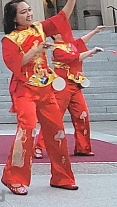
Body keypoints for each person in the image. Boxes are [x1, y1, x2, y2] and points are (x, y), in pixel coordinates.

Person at [0, 0, 88, 196]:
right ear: (14, 18)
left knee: (56, 132)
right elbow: (17, 63)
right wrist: (36, 49)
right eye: (23, 12)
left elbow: (61, 18)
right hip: (24, 89)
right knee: (27, 129)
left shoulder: (39, 28)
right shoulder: (9, 40)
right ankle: (13, 177)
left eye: (29, 10)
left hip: (46, 88)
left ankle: (62, 177)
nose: (29, 14)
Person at [34, 25, 107, 158]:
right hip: (62, 86)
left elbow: (80, 42)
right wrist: (91, 52)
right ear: (55, 35)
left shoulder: (69, 45)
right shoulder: (57, 49)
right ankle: (39, 146)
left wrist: (95, 31)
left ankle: (83, 147)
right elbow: (73, 58)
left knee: (82, 114)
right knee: (53, 118)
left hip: (75, 85)